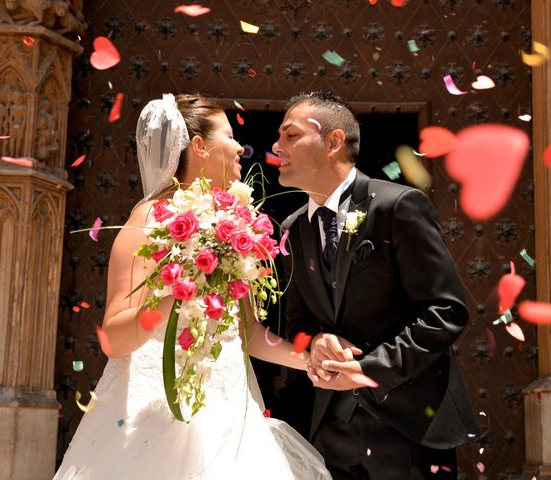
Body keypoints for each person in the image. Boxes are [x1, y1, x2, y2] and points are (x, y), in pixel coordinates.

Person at [54, 94, 332, 480]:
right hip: (158, 415)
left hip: (232, 416)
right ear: (200, 146)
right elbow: (114, 339)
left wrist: (309, 360)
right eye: (229, 135)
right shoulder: (150, 218)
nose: (239, 146)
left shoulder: (234, 223)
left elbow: (246, 333)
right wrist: (172, 298)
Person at [274, 91, 480, 479]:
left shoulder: (398, 206)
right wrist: (315, 343)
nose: (277, 146)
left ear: (333, 141)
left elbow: (446, 311)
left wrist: (371, 369)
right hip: (329, 432)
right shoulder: (293, 230)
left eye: (290, 135)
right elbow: (297, 325)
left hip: (407, 429)